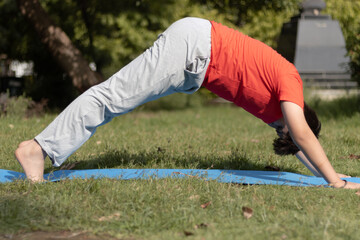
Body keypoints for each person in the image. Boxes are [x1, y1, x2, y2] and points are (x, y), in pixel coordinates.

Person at [15, 17, 360, 189]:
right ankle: (37, 148)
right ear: (302, 112)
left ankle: (41, 148)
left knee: (114, 99)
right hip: (195, 47)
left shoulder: (277, 109)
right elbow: (301, 135)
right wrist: (337, 184)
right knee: (112, 97)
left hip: (194, 64)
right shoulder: (291, 82)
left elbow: (299, 142)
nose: (282, 132)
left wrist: (329, 175)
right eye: (287, 131)